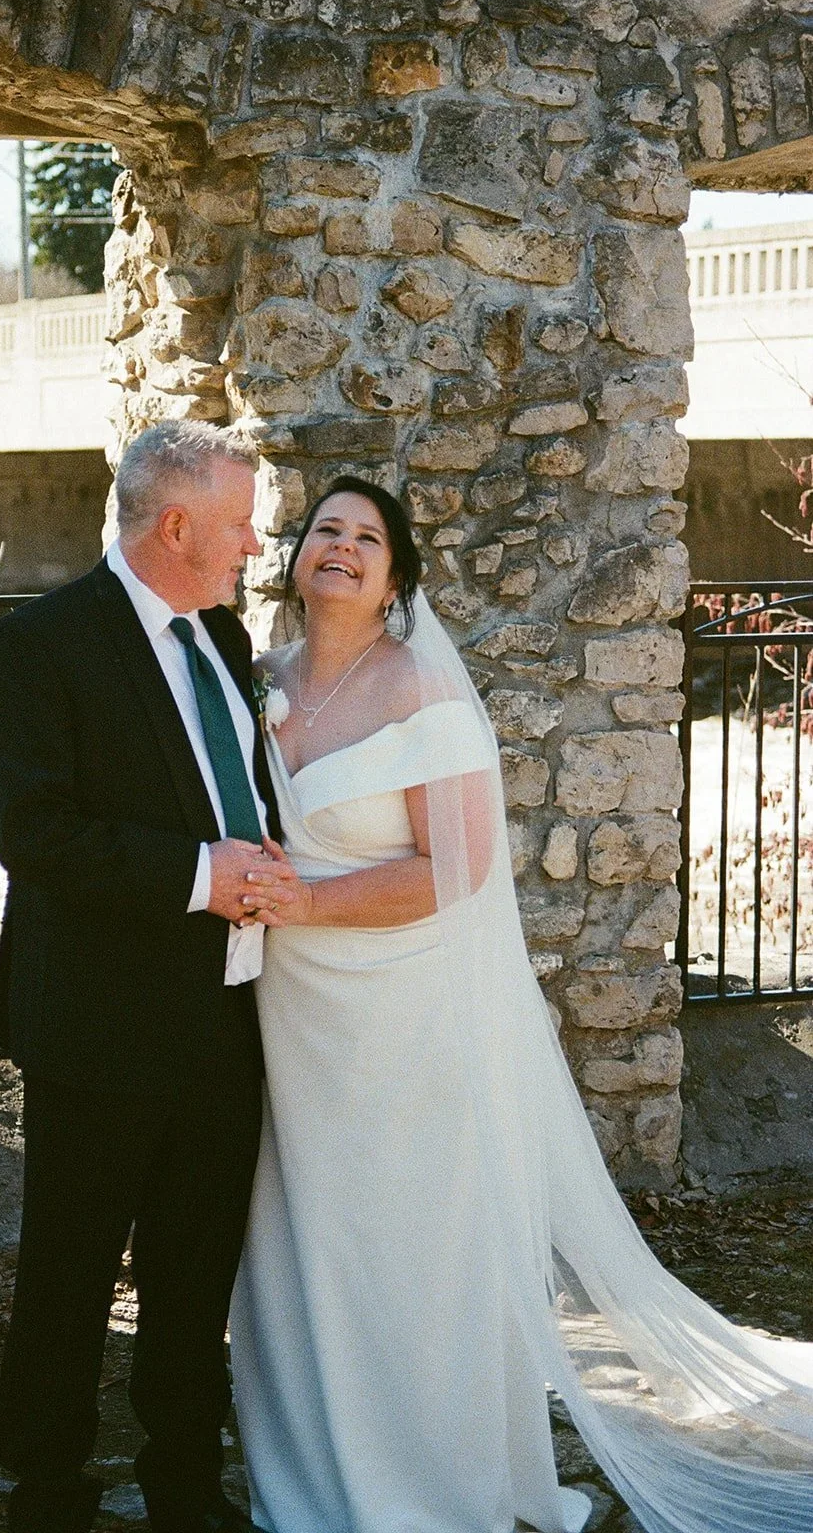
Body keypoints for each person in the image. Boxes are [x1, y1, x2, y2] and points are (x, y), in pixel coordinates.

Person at [228, 476, 813, 1533]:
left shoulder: (420, 692)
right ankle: (315, 1474)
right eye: (326, 529)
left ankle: (436, 1487)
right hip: (290, 1013)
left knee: (407, 1241)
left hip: (399, 1009)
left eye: (367, 537)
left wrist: (305, 898)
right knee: (305, 1237)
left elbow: (454, 872)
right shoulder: (255, 679)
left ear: (397, 574)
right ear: (296, 553)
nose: (343, 547)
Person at [0, 420, 294, 1533]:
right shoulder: (39, 646)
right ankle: (48, 1490)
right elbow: (37, 833)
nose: (253, 546)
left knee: (194, 1266)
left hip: (226, 1011)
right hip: (99, 1021)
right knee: (69, 1270)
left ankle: (181, 1484)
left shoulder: (227, 639)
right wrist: (201, 875)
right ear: (175, 525)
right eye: (239, 523)